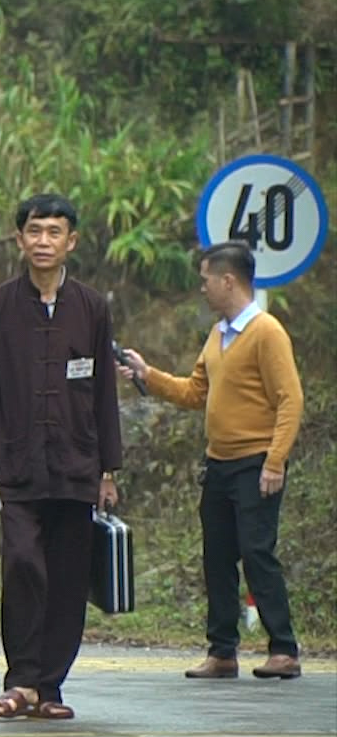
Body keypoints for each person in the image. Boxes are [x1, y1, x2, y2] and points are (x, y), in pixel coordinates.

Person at [0, 194, 123, 719]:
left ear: (70, 242)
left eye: (54, 232)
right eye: (34, 231)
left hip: (77, 467)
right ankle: (21, 679)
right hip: (15, 468)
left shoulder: (92, 308)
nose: (43, 242)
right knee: (23, 566)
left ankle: (49, 687)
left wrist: (108, 470)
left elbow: (103, 392)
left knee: (68, 577)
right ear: (19, 239)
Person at [119, 242, 304, 680]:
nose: (201, 289)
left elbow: (290, 399)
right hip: (219, 463)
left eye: (205, 280)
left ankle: (284, 648)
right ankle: (223, 651)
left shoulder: (266, 332)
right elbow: (194, 393)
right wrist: (148, 375)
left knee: (257, 552)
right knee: (217, 556)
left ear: (228, 280)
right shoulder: (219, 334)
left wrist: (275, 461)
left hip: (256, 461)